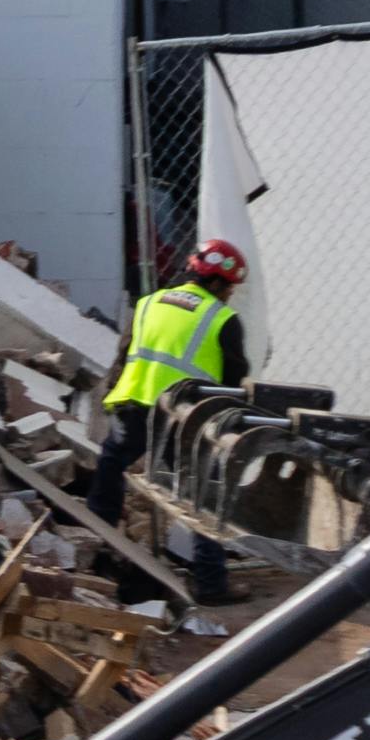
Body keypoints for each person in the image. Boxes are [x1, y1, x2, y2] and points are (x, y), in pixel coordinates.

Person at [92, 240, 248, 600]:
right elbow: (232, 384)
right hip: (182, 420)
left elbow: (124, 356)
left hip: (133, 409)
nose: (229, 295)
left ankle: (93, 551)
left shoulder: (148, 304)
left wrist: (110, 399)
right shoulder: (222, 319)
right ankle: (211, 586)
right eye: (229, 287)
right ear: (215, 283)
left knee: (110, 472)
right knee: (203, 499)